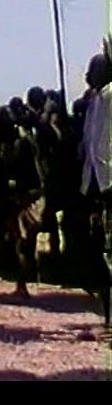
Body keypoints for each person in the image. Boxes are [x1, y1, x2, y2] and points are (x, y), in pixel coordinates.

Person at [80, 52, 112, 324]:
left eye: (92, 70)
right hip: (95, 181)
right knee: (100, 248)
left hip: (109, 179)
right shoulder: (95, 99)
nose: (87, 75)